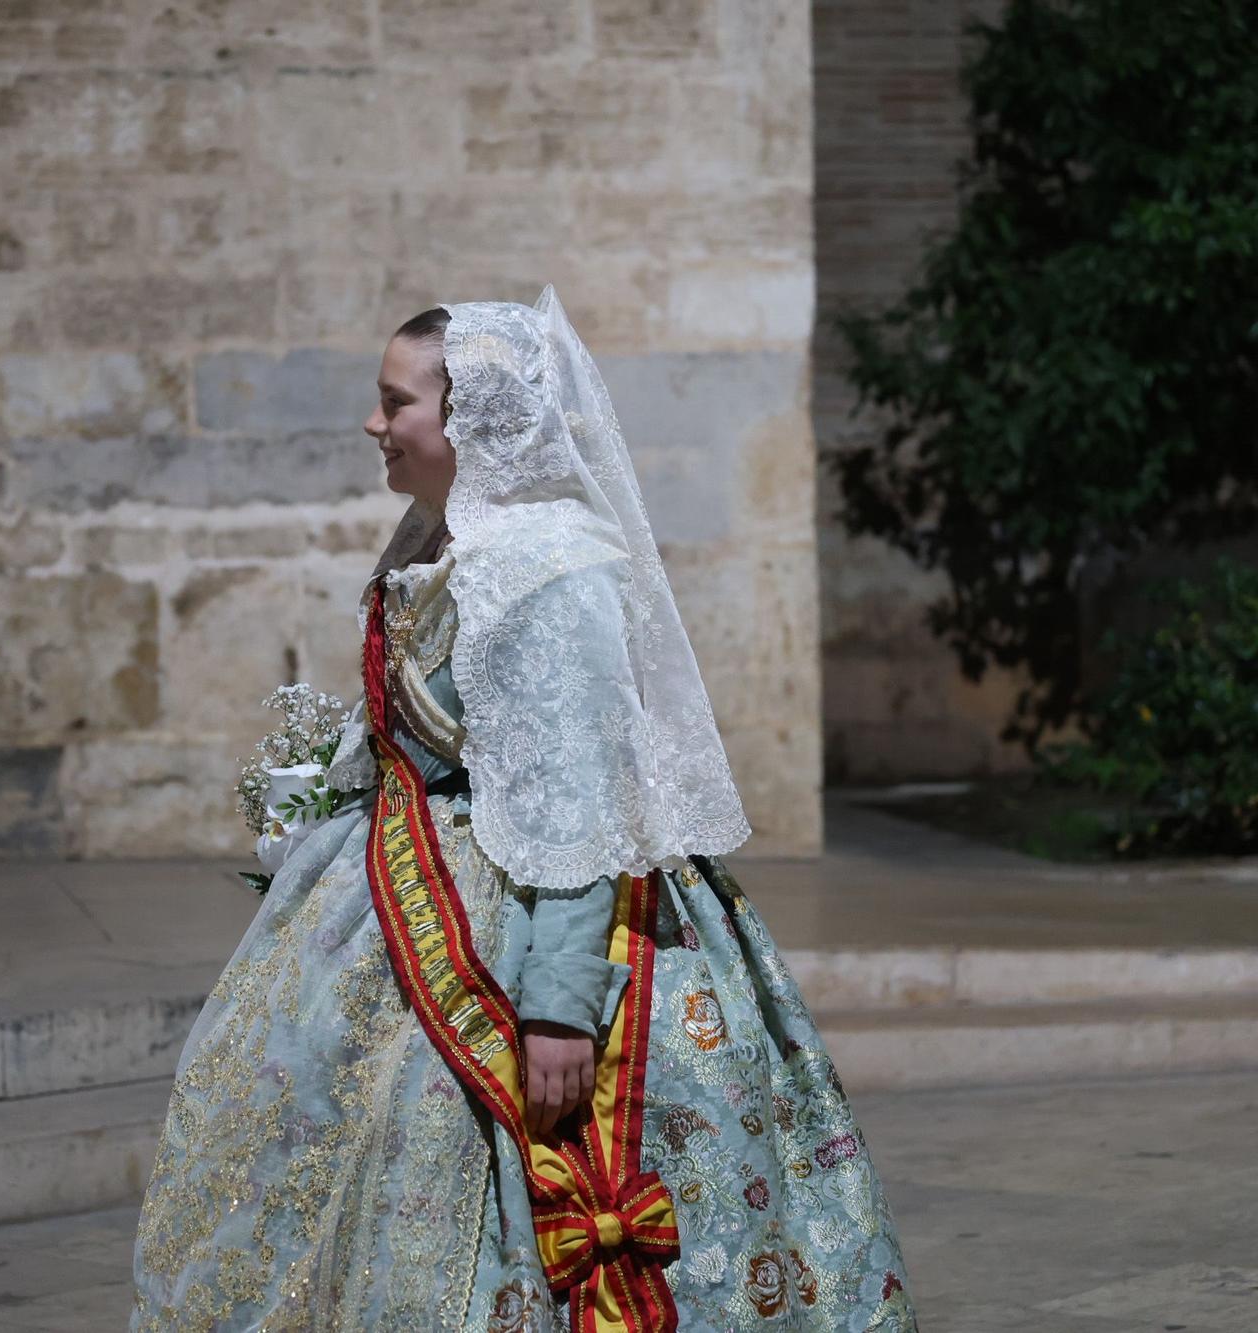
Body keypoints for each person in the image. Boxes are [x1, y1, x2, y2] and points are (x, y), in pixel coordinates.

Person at [130, 287, 919, 1332]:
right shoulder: (450, 537)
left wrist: (555, 1010)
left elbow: (581, 800)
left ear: (472, 420)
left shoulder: (550, 569)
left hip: (545, 924)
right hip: (419, 885)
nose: (374, 424)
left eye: (394, 402)